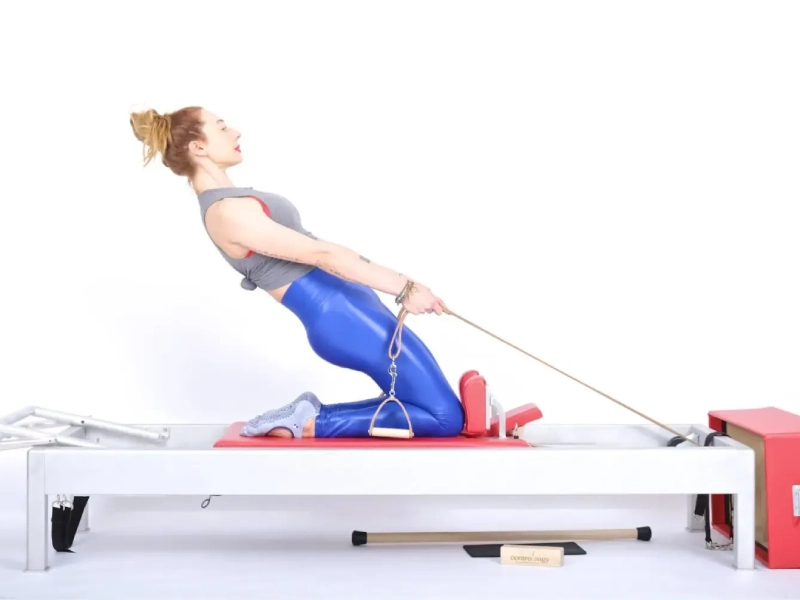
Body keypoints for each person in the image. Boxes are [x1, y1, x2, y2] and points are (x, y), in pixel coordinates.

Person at [129, 106, 465, 439]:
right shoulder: (225, 213)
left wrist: (398, 285)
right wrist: (405, 287)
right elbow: (322, 255)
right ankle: (308, 423)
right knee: (444, 417)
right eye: (221, 127)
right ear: (199, 146)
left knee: (422, 403)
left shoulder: (234, 200)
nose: (235, 132)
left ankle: (310, 415)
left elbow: (323, 249)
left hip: (353, 307)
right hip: (342, 317)